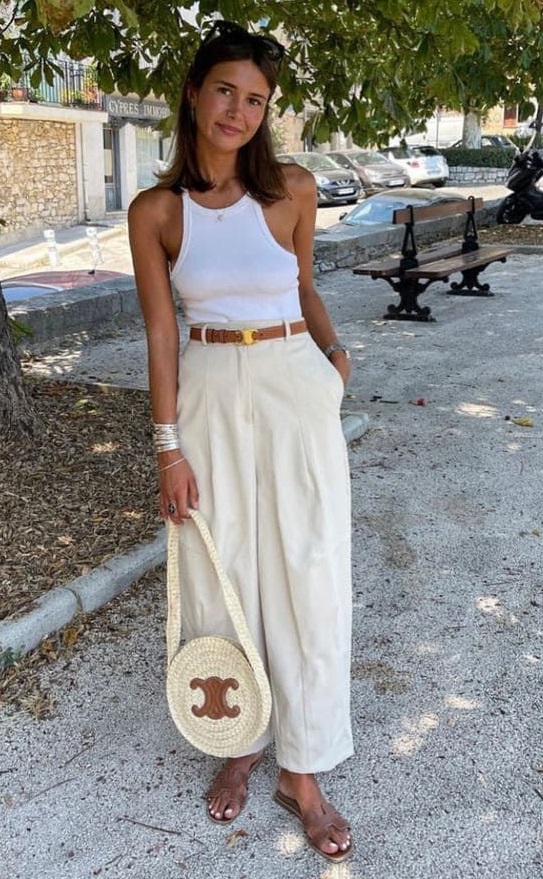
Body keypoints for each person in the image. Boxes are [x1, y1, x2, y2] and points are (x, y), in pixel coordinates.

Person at [128, 20, 354, 863]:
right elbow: (160, 333)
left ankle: (303, 770)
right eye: (225, 90)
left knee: (308, 568)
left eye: (256, 99)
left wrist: (333, 360)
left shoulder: (292, 188)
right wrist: (167, 447)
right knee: (221, 568)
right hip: (209, 389)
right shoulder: (157, 211)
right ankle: (241, 737)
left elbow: (304, 285)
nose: (239, 110)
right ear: (193, 92)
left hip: (296, 384)